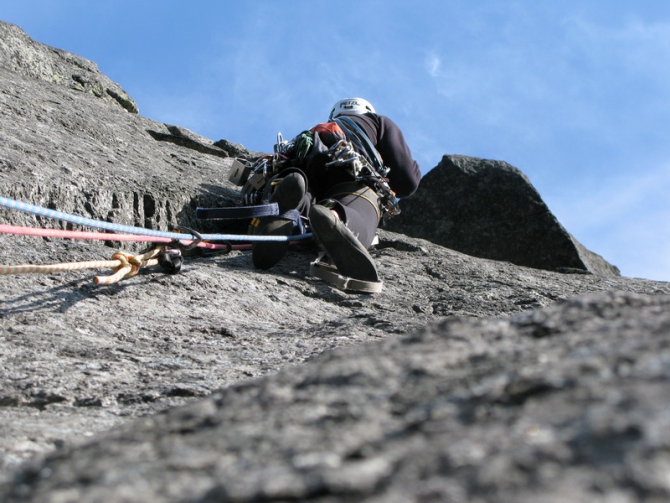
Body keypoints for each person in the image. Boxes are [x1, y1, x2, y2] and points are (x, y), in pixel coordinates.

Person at [251, 98, 421, 288]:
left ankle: (290, 206)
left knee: (304, 190)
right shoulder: (377, 122)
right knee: (362, 202)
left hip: (305, 166)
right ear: (366, 110)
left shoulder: (316, 130)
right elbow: (407, 181)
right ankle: (336, 217)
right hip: (352, 169)